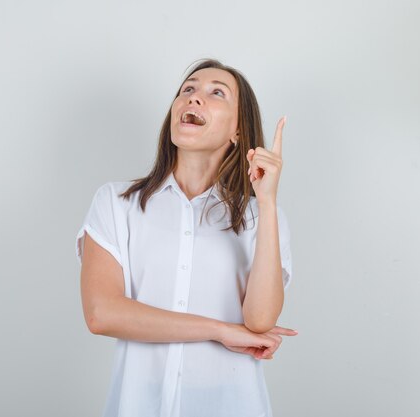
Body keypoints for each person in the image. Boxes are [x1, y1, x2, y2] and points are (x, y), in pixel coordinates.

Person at [75, 58, 297, 417]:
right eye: (188, 90)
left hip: (231, 403)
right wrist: (220, 331)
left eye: (216, 93)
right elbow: (102, 313)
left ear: (238, 131)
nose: (194, 98)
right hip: (139, 404)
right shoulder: (117, 204)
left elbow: (259, 321)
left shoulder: (261, 219)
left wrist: (267, 201)